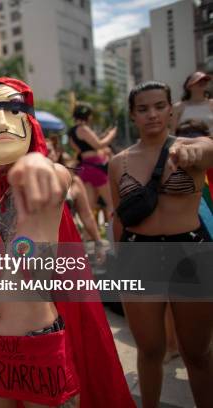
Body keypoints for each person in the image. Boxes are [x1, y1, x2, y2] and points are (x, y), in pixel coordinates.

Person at [0, 77, 134, 407]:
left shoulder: (50, 177)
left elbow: (49, 172)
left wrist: (34, 162)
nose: (2, 121)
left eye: (14, 108)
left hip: (38, 346)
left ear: (29, 122)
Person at [108, 81, 213, 408]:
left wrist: (198, 149)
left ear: (171, 109)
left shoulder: (193, 148)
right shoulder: (118, 164)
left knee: (196, 352)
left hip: (191, 253)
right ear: (133, 115)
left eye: (158, 106)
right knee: (150, 350)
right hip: (138, 255)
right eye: (143, 108)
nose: (152, 114)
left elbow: (208, 148)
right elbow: (118, 218)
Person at [68, 104, 117, 220]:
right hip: (96, 166)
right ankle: (113, 233)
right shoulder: (83, 128)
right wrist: (111, 135)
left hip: (85, 167)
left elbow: (78, 149)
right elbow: (99, 144)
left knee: (89, 207)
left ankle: (87, 236)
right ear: (87, 116)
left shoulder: (71, 132)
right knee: (111, 203)